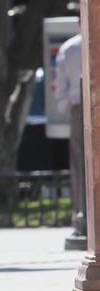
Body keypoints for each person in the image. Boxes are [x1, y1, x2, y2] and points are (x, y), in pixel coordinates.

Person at [54, 32, 85, 235]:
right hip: (81, 104)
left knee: (79, 162)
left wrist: (69, 108)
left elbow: (61, 89)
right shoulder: (71, 47)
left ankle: (80, 216)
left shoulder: (69, 47)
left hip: (78, 106)